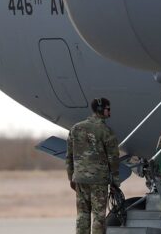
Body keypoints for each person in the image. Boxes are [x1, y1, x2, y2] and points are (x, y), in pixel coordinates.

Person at [66, 97, 121, 234]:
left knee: (82, 215)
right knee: (99, 216)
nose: (110, 111)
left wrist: (71, 177)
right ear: (101, 110)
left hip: (80, 179)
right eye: (108, 109)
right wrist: (115, 182)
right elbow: (113, 159)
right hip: (98, 180)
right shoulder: (106, 131)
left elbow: (69, 156)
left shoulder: (75, 128)